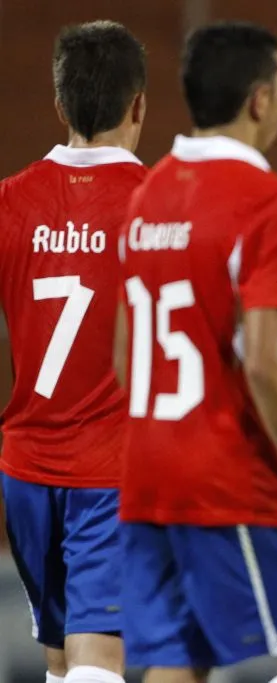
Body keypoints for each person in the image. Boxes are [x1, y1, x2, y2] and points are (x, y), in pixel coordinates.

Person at [114, 22, 277, 683]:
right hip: (230, 477)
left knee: (177, 661)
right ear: (259, 100)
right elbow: (268, 359)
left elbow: (128, 354)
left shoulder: (145, 196)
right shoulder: (266, 201)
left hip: (147, 473)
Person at [0, 21, 147, 683]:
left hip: (25, 472)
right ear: (139, 104)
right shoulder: (161, 204)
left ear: (59, 106)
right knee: (99, 660)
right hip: (107, 472)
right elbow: (272, 266)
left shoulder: (9, 203)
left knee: (60, 665)